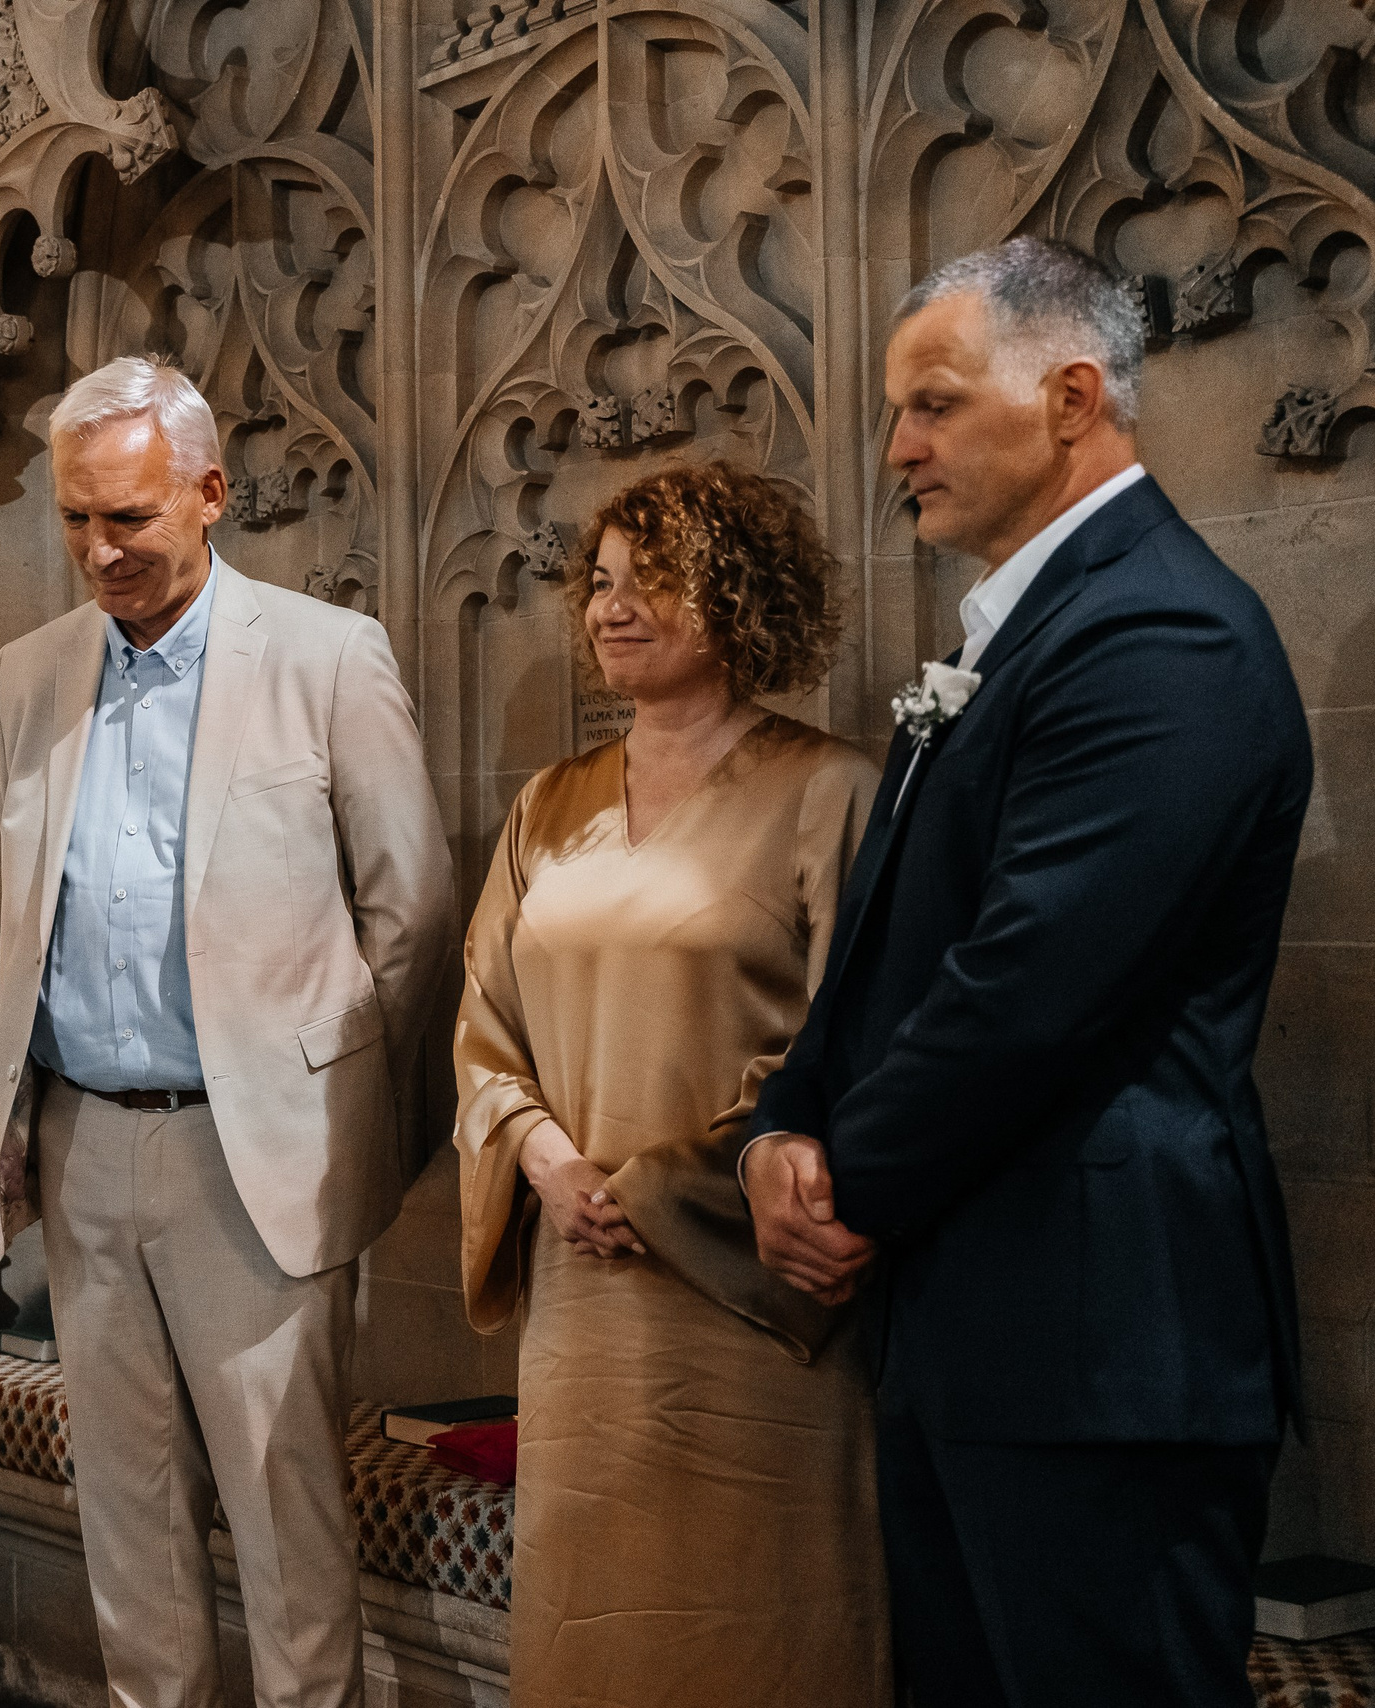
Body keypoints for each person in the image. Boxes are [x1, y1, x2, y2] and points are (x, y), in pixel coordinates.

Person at [743, 237, 1309, 1705]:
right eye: (896, 411)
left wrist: (843, 1183)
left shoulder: (1160, 633)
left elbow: (1028, 988)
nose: (897, 448)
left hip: (1099, 1346)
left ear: (1070, 400)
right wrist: (777, 1128)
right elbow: (887, 948)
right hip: (980, 1327)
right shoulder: (1026, 633)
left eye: (931, 405)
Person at [0, 355, 456, 1708]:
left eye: (129, 518)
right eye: (77, 518)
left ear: (209, 494)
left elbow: (414, 914)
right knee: (127, 1530)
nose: (100, 551)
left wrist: (332, 1115)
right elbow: (27, 921)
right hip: (83, 1141)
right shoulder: (28, 675)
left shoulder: (324, 657)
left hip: (251, 1155)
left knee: (284, 1523)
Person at [451, 462, 889, 1707]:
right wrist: (544, 1161)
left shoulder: (830, 791)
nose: (611, 607)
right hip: (581, 1293)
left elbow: (858, 1038)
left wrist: (658, 1187)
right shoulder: (549, 804)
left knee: (765, 1631)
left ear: (737, 594)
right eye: (598, 582)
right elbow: (482, 1024)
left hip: (749, 1290)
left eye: (653, 580)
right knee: (595, 1629)